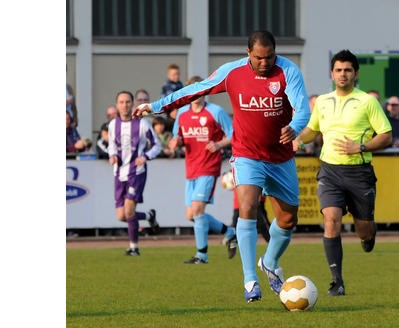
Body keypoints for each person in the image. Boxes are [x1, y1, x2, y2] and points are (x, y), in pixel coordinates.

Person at [132, 30, 311, 302]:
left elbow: (302, 109)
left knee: (288, 219)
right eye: (259, 58)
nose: (265, 63)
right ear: (248, 53)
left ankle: (270, 262)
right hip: (247, 153)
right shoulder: (233, 72)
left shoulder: (288, 70)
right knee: (248, 206)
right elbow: (196, 88)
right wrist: (157, 106)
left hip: (281, 156)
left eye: (270, 57)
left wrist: (295, 127)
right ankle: (250, 279)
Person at [293, 50, 392, 297]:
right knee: (331, 220)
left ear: (355, 73)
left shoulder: (368, 101)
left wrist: (360, 146)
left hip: (359, 172)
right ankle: (337, 281)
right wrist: (298, 140)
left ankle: (368, 236)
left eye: (348, 70)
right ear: (331, 73)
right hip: (329, 171)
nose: (343, 74)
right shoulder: (323, 101)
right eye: (338, 70)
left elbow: (386, 136)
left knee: (364, 230)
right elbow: (312, 130)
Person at [166, 75, 237, 264]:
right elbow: (177, 137)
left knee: (197, 210)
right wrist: (174, 143)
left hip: (209, 165)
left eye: (200, 90)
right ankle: (229, 232)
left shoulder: (216, 111)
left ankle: (202, 255)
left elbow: (233, 135)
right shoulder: (182, 113)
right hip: (191, 167)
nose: (196, 95)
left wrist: (219, 144)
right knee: (192, 215)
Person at [107, 90, 162, 256]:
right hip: (119, 173)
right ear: (117, 105)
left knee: (129, 210)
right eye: (121, 102)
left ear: (133, 104)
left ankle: (134, 248)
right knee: (121, 216)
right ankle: (148, 215)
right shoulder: (112, 125)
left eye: (127, 102)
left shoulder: (142, 124)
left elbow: (157, 145)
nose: (125, 105)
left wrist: (145, 156)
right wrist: (112, 155)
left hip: (136, 172)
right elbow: (111, 145)